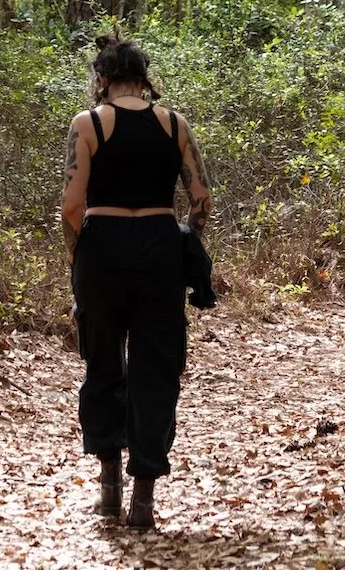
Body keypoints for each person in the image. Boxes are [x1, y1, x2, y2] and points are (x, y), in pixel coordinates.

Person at [59, 35, 213, 530]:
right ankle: (143, 497)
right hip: (159, 247)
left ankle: (109, 487)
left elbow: (69, 205)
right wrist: (185, 238)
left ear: (101, 79)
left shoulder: (88, 125)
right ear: (144, 79)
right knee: (157, 369)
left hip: (101, 248)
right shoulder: (174, 125)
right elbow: (201, 198)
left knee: (103, 364)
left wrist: (76, 252)